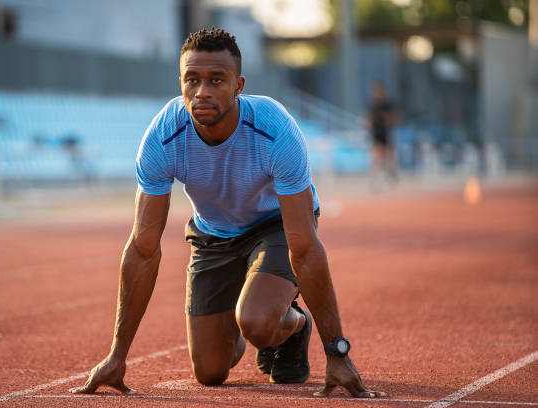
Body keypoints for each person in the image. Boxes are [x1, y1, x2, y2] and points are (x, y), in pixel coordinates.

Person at [70, 28, 384, 399]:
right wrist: (116, 355)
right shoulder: (162, 136)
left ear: (238, 85)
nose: (202, 91)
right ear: (181, 83)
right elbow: (142, 249)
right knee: (210, 371)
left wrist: (337, 351)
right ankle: (250, 307)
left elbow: (304, 246)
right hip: (213, 235)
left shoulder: (275, 129)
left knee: (256, 321)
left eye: (216, 80)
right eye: (192, 80)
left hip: (274, 224)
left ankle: (293, 325)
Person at [364, 81, 401, 190]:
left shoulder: (388, 104)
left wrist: (387, 119)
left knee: (390, 159)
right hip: (376, 136)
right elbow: (367, 120)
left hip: (387, 135)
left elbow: (396, 118)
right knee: (376, 160)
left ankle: (391, 177)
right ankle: (374, 182)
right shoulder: (373, 106)